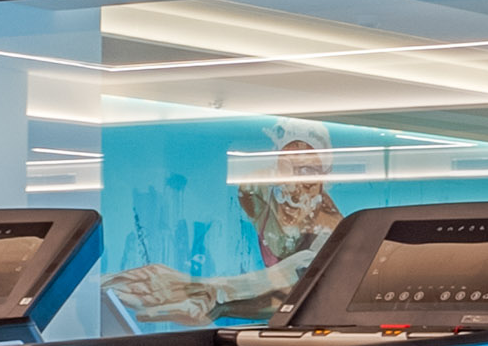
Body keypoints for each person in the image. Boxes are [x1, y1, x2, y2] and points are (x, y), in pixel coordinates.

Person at [105, 120, 345, 325]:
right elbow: (279, 297)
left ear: (324, 177)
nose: (295, 189)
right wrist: (217, 305)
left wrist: (208, 292)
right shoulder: (255, 194)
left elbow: (297, 287)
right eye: (288, 173)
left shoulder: (332, 231)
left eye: (308, 174)